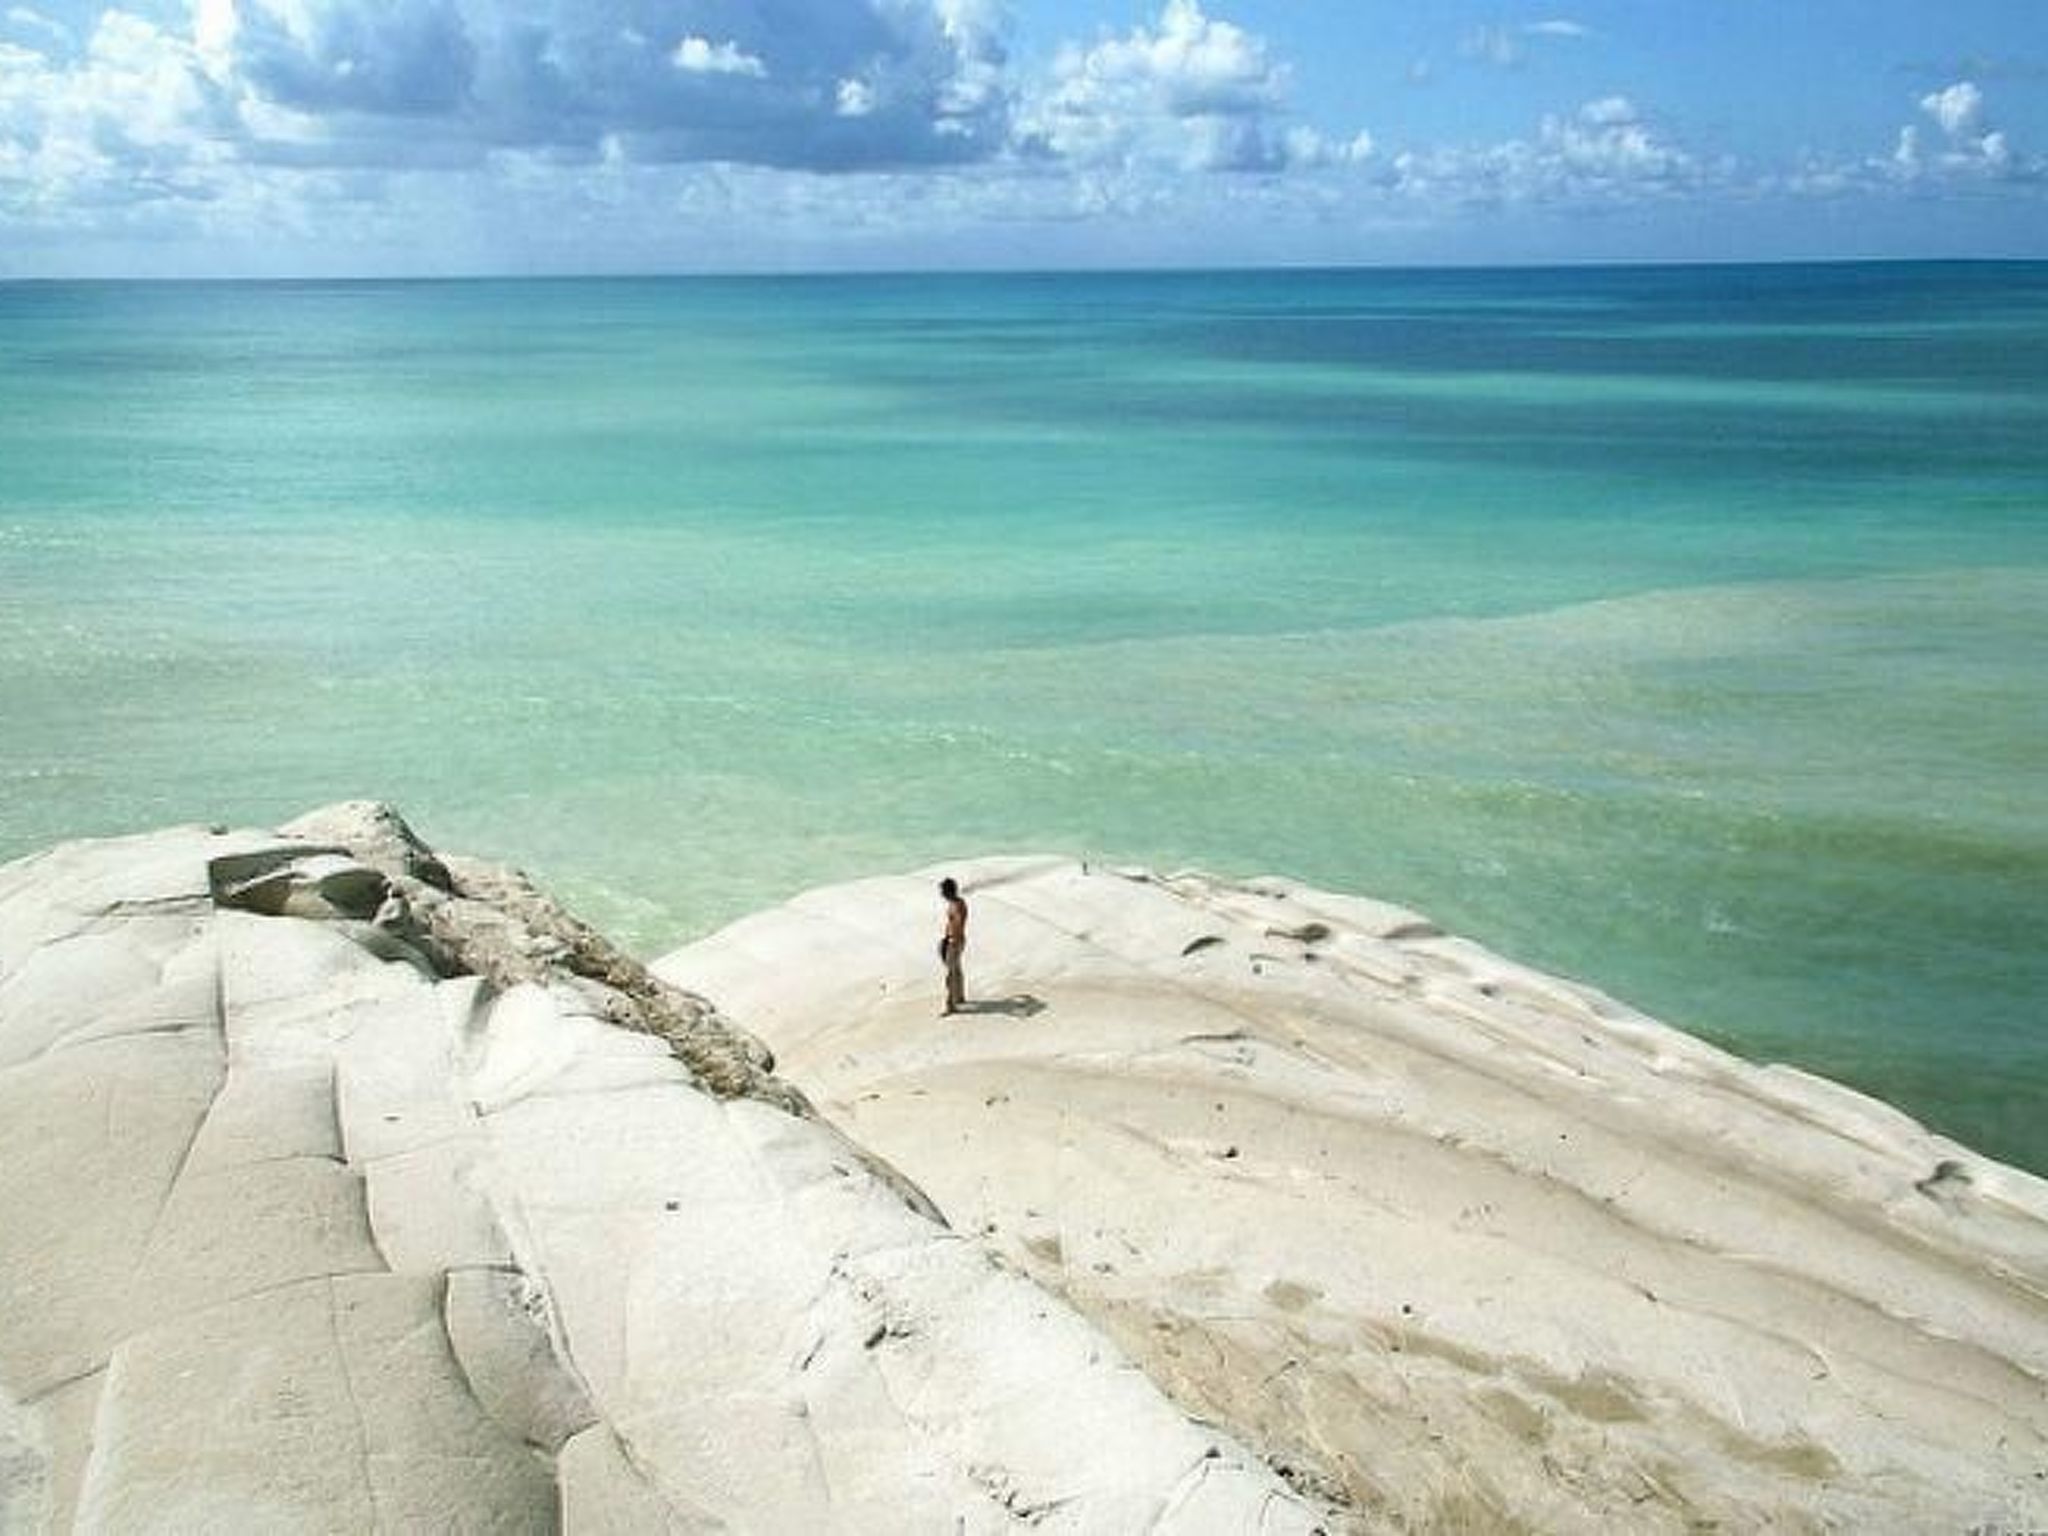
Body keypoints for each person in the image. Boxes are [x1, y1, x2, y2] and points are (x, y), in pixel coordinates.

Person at [937, 877, 968, 1015]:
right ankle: (960, 997)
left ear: (948, 891)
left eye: (942, 891)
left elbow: (958, 923)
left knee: (950, 973)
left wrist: (951, 940)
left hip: (955, 941)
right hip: (956, 939)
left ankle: (950, 1006)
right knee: (957, 970)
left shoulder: (956, 905)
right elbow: (953, 922)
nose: (941, 893)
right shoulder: (957, 902)